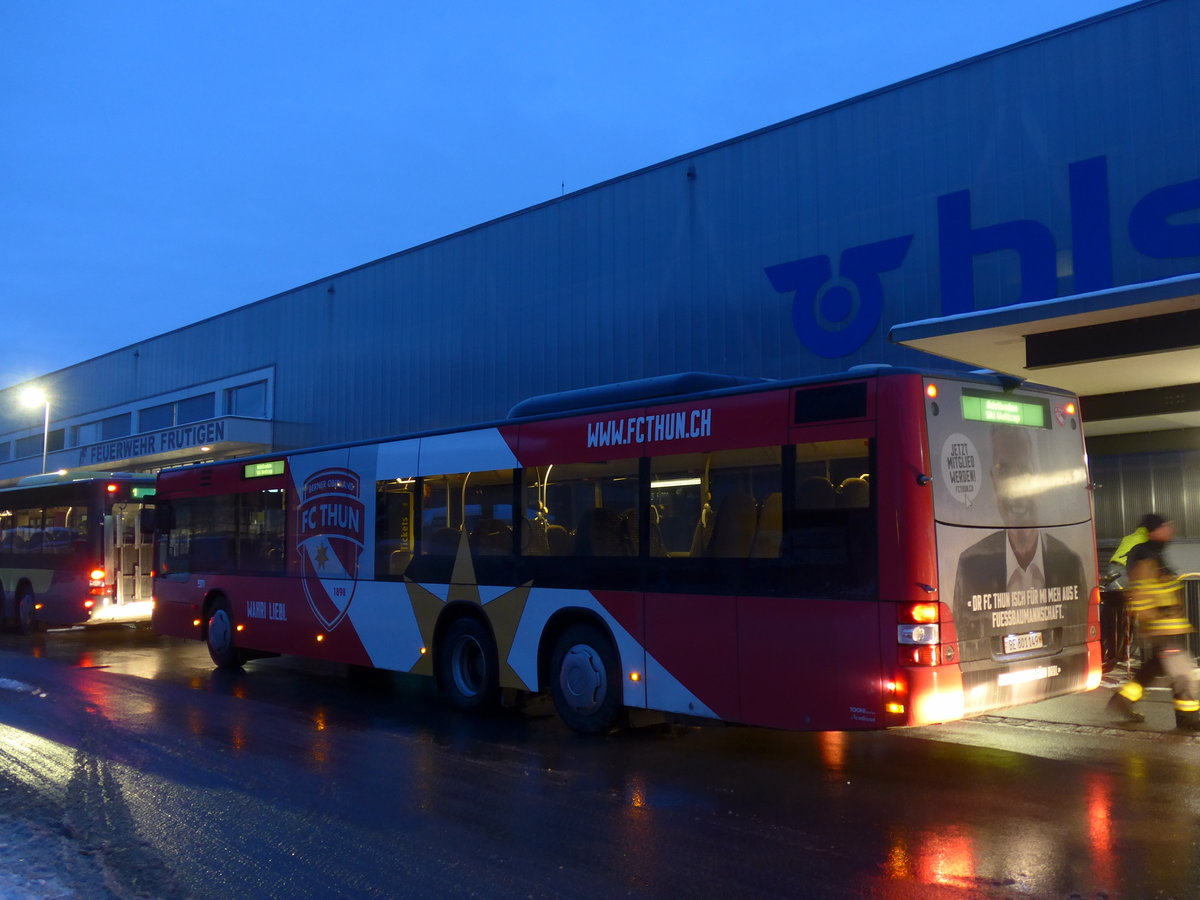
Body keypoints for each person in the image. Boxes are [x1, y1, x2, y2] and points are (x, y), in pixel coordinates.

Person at [953, 425, 1087, 609]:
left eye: (1024, 470)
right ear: (994, 481)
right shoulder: (970, 567)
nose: (1015, 489)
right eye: (1004, 471)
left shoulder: (1071, 565)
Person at [1106, 515, 1200, 731]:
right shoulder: (1146, 554)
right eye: (1166, 527)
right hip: (1159, 626)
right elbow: (1141, 592)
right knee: (1181, 671)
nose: (1170, 530)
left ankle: (1122, 701)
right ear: (1154, 530)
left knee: (1152, 669)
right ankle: (1188, 718)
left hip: (1162, 625)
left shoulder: (1154, 552)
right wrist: (1153, 619)